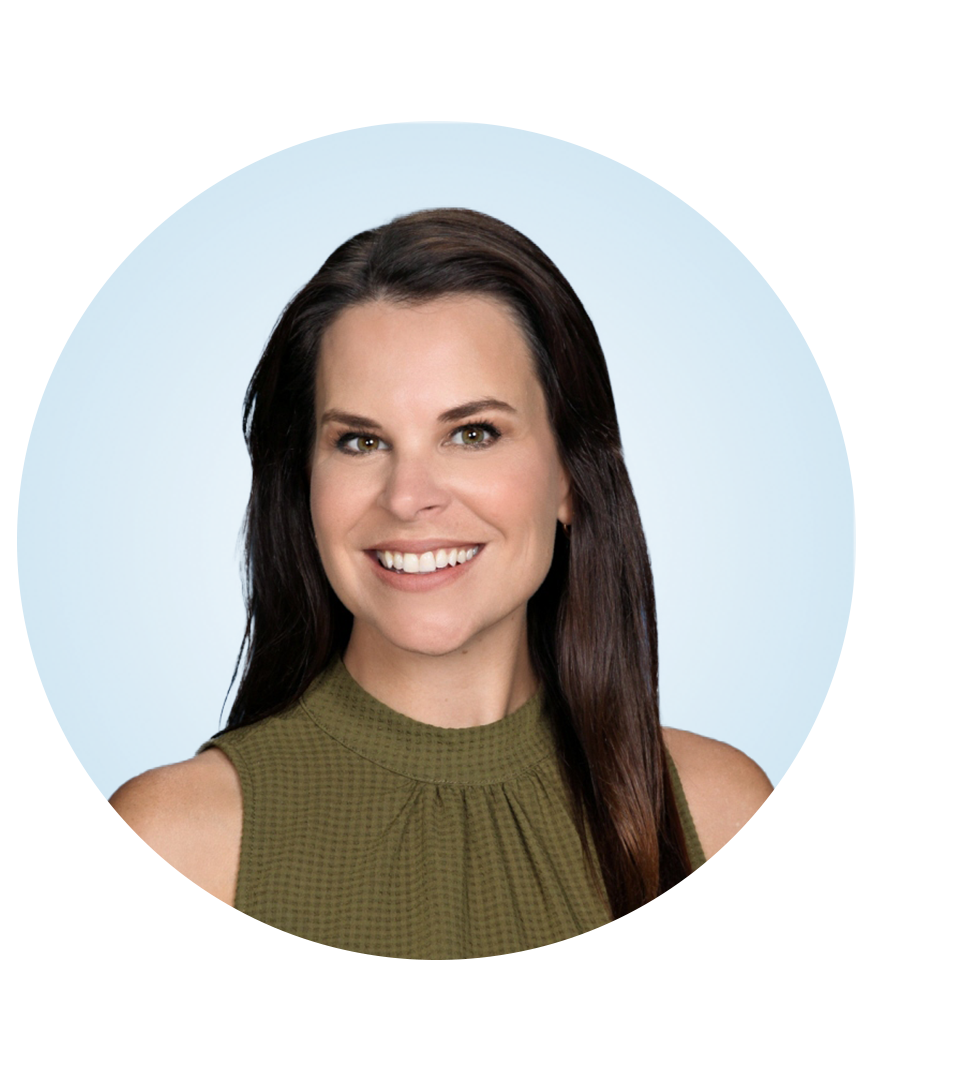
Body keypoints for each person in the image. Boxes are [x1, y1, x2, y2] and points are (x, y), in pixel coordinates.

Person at [110, 207, 772, 958]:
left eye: (472, 434)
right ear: (304, 486)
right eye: (360, 441)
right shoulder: (176, 845)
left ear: (568, 477)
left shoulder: (720, 818)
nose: (407, 496)